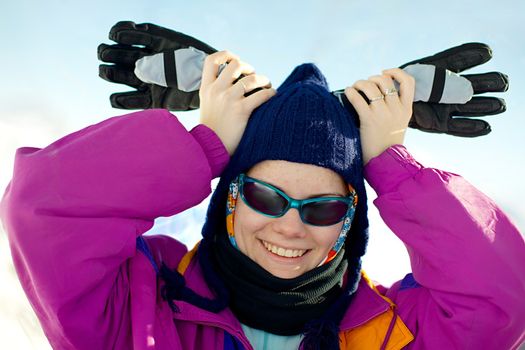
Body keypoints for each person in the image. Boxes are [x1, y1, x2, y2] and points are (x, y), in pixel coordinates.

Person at [1, 50, 524, 350]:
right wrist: (205, 144)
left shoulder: (390, 331)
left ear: (349, 221)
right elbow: (43, 209)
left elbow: (502, 298)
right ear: (231, 197)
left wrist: (390, 161)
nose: (291, 227)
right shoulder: (143, 302)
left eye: (322, 208)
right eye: (264, 197)